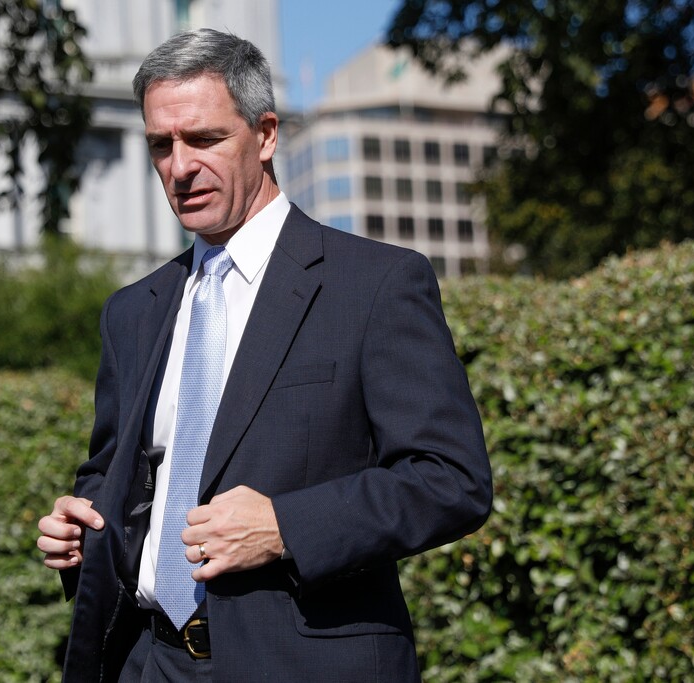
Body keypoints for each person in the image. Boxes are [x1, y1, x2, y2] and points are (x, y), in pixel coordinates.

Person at [36, 28, 492, 682]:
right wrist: (83, 528)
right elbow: (112, 473)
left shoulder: (375, 284)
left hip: (307, 664)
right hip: (148, 662)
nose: (180, 167)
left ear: (267, 134)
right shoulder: (133, 311)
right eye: (161, 145)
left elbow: (451, 480)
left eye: (204, 139)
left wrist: (284, 527)